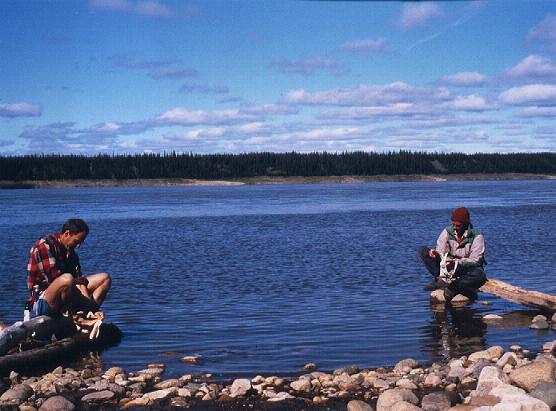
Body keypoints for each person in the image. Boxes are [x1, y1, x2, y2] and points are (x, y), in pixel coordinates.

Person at [27, 218, 111, 318]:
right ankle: (80, 311)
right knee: (67, 279)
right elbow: (54, 280)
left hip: (68, 294)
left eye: (81, 242)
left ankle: (90, 313)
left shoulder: (72, 253)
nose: (78, 246)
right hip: (42, 300)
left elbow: (80, 283)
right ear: (67, 233)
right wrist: (83, 298)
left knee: (105, 278)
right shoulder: (44, 246)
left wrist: (89, 307)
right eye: (77, 241)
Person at [418, 207, 486, 302]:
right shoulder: (447, 231)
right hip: (447, 265)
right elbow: (440, 249)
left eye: (458, 226)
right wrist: (436, 254)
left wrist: (457, 262)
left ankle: (455, 287)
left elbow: (475, 260)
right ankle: (440, 280)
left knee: (480, 276)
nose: (454, 227)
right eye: (453, 224)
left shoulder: (477, 236)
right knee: (423, 251)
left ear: (465, 224)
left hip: (465, 267)